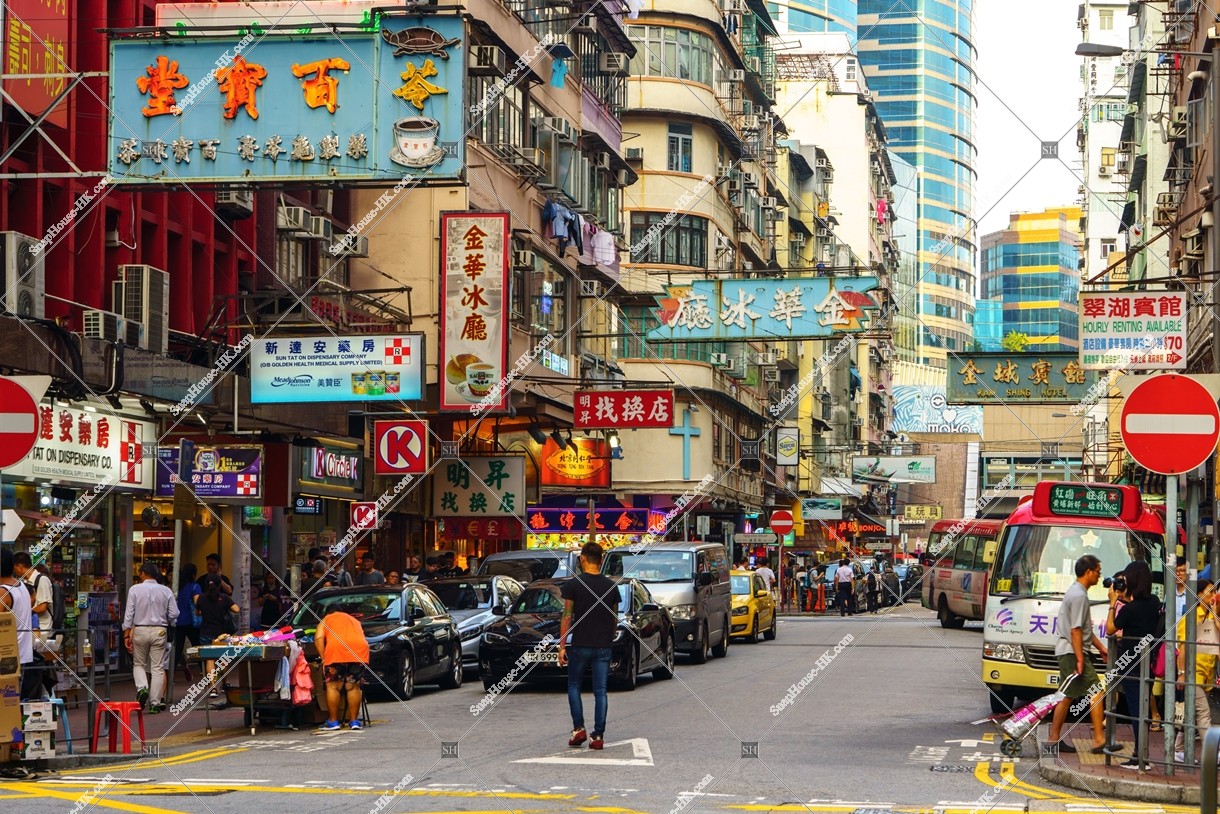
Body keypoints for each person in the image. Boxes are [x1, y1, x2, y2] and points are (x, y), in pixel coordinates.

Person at [558, 542, 619, 750]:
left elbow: (567, 616)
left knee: (574, 686)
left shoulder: (573, 585)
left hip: (580, 644)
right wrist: (609, 639)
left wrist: (562, 646)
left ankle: (579, 729)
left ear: (582, 558)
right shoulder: (611, 586)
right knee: (600, 691)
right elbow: (614, 618)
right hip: (603, 645)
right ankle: (598, 735)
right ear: (601, 560)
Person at [1047, 554, 1109, 754]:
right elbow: (1075, 630)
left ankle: (1053, 738)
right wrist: (1081, 659)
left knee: (1066, 696)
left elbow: (1083, 630)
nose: (1099, 577)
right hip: (1072, 652)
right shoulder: (1080, 595)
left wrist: (1100, 648)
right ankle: (1099, 739)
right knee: (1096, 692)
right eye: (1098, 572)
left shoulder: (1076, 592)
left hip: (1069, 651)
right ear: (1088, 572)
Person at [1106, 561, 1159, 769]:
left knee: (1136, 710)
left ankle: (1140, 758)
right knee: (1142, 709)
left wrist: (1113, 602)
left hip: (1131, 662)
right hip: (1149, 663)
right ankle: (1140, 752)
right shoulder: (1154, 602)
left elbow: (1111, 628)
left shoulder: (1130, 609)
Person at [122, 562, 178, 714]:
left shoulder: (134, 589)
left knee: (139, 663)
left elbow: (129, 614)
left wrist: (126, 633)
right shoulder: (166, 591)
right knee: (157, 667)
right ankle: (155, 703)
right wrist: (167, 621)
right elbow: (174, 614)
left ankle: (142, 688)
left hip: (140, 629)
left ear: (142, 573)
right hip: (160, 631)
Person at [1173, 579, 1218, 764]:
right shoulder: (1190, 618)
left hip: (1207, 672)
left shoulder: (1212, 615)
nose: (1214, 596)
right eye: (1210, 592)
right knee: (1204, 713)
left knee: (1190, 713)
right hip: (1193, 672)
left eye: (1215, 592)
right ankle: (1211, 754)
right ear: (1199, 594)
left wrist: (1215, 613)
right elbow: (1182, 649)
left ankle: (1178, 749)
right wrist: (1182, 672)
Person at [314, 605, 370, 731]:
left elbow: (318, 638)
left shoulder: (327, 618)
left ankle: (333, 722)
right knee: (353, 687)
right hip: (359, 651)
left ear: (328, 612)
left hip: (336, 650)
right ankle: (354, 721)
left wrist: (324, 658)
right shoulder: (354, 620)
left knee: (334, 687)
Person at [0, 549, 39, 700]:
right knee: (14, 706)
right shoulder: (22, 587)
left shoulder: (3, 592)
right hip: (22, 656)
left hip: (7, 659)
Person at [196, 575, 241, 700]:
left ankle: (213, 687)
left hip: (205, 633)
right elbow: (236, 609)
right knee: (223, 659)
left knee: (209, 660)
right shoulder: (224, 598)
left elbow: (197, 612)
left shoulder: (201, 598)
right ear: (219, 584)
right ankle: (224, 683)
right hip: (221, 634)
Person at [12, 552, 53, 649]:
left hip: (42, 628)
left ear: (19, 566)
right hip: (28, 627)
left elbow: (43, 607)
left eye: (14, 567)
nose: (14, 570)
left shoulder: (42, 580)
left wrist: (24, 613)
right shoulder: (23, 581)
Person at [174, 564, 202, 682]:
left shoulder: (177, 587)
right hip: (191, 621)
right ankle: (205, 670)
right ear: (193, 574)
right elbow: (197, 602)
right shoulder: (195, 586)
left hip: (178, 621)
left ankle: (171, 675)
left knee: (177, 649)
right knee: (198, 646)